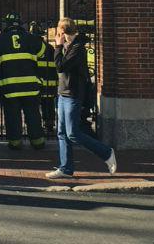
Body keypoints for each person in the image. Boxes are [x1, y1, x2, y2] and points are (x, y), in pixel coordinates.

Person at [45, 17, 117, 179]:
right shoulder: (68, 46)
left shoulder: (77, 48)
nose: (57, 35)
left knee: (73, 133)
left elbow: (60, 66)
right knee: (62, 133)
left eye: (59, 32)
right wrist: (61, 46)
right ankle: (66, 168)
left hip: (73, 94)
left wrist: (57, 46)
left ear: (63, 32)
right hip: (62, 93)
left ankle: (106, 152)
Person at [0, 11, 45, 150]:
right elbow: (43, 53)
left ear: (6, 24)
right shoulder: (32, 39)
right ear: (20, 24)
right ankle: (38, 142)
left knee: (12, 116)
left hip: (9, 88)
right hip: (31, 87)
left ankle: (15, 143)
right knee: (33, 115)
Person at [30, 21, 57, 135]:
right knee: (48, 104)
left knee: (34, 106)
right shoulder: (49, 47)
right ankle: (49, 126)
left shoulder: (30, 47)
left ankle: (35, 126)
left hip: (36, 82)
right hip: (50, 82)